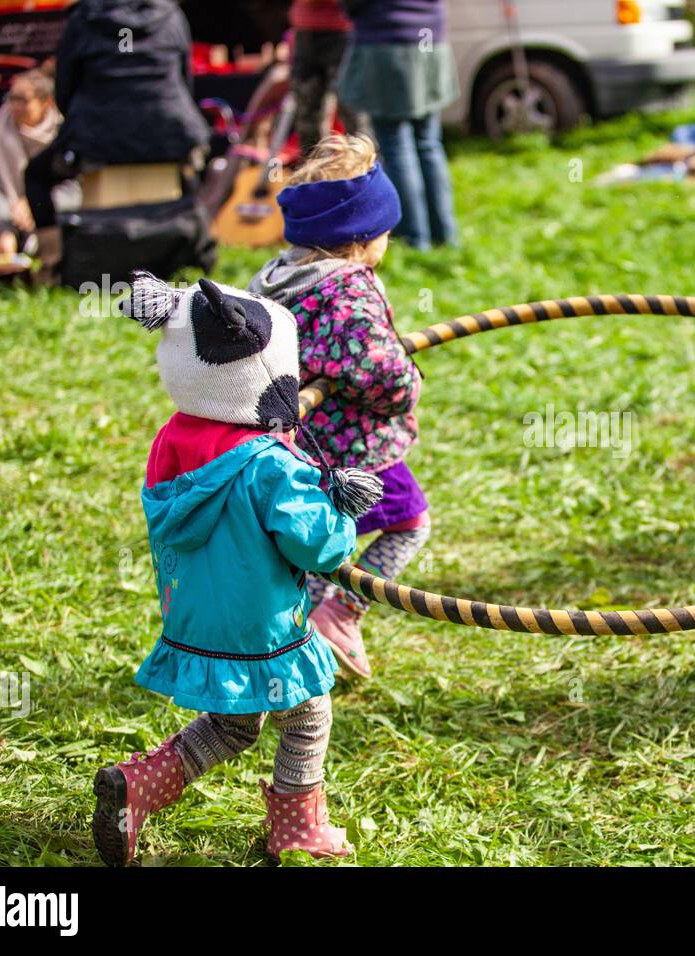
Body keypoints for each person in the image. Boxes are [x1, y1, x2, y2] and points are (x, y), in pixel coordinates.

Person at [93, 273, 382, 866]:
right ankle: (297, 832)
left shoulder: (171, 439)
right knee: (308, 713)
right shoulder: (272, 465)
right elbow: (320, 548)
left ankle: (137, 787)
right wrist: (343, 511)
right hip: (263, 625)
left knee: (235, 724)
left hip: (194, 619)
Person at [250, 134, 429, 680]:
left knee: (327, 537)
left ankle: (300, 629)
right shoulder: (346, 293)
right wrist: (406, 381)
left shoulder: (277, 275)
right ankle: (342, 615)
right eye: (385, 232)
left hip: (301, 447)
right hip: (355, 451)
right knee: (410, 521)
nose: (388, 241)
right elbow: (378, 369)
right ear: (360, 238)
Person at [24, 0, 209, 233]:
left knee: (35, 176)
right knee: (190, 178)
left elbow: (65, 91)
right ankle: (194, 245)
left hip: (96, 139)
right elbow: (185, 85)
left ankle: (53, 259)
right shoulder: (171, 15)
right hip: (168, 134)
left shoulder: (82, 18)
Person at [337, 0, 457, 249]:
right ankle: (444, 236)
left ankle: (414, 240)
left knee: (396, 146)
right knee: (429, 143)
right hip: (430, 39)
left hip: (389, 41)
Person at [0, 68, 79, 258]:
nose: (15, 106)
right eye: (11, 98)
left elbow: (74, 190)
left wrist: (35, 204)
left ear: (46, 102)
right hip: (7, 216)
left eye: (23, 100)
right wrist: (4, 229)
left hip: (55, 218)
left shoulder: (64, 135)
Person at [288, 0, 357, 156]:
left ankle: (363, 177)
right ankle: (316, 177)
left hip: (344, 33)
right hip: (304, 32)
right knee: (307, 122)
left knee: (354, 117)